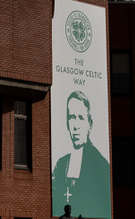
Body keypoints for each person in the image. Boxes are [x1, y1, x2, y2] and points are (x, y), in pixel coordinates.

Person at [52, 90, 111, 219]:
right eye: (72, 117)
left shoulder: (100, 164)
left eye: (81, 117)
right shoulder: (61, 164)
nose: (76, 125)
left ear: (90, 124)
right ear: (67, 123)